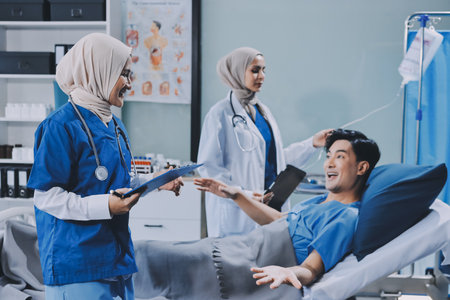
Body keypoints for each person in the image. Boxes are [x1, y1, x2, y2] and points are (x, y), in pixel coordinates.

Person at [132, 129, 381, 299]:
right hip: (235, 248)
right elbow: (281, 223)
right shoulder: (320, 202)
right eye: (328, 156)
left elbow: (311, 269)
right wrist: (235, 195)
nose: (329, 163)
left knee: (146, 255)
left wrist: (288, 272)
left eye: (340, 157)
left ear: (361, 167)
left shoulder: (345, 217)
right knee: (146, 252)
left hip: (244, 265)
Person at [27, 33, 181, 300]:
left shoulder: (115, 125)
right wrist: (105, 206)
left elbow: (116, 184)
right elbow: (46, 197)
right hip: (77, 265)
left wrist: (157, 182)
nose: (130, 84)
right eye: (124, 74)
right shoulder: (59, 127)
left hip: (117, 260)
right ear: (99, 71)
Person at [197, 46, 332, 238]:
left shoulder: (263, 111)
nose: (261, 76)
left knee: (267, 263)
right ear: (236, 72)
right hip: (237, 214)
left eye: (263, 70)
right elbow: (210, 169)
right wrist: (247, 196)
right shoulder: (220, 114)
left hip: (270, 207)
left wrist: (312, 143)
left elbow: (275, 160)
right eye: (255, 70)